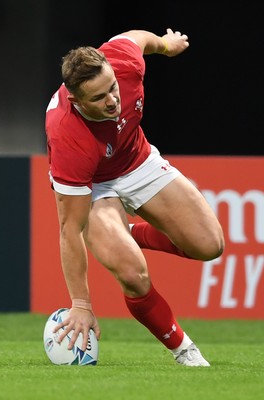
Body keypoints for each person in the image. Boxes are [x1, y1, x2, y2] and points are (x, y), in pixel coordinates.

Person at [45, 28, 225, 367]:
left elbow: (137, 37)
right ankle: (184, 350)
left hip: (137, 160)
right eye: (98, 98)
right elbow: (70, 229)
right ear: (76, 101)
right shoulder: (68, 137)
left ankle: (130, 233)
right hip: (94, 185)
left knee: (209, 245)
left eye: (111, 88)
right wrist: (81, 304)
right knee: (132, 272)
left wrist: (165, 45)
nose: (112, 100)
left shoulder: (124, 63)